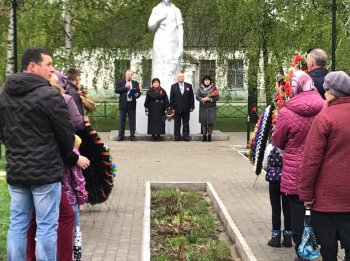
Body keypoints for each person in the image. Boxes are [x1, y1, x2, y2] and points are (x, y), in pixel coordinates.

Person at [0, 47, 90, 261]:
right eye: (48, 64)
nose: (52, 69)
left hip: (17, 170)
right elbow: (67, 136)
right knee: (46, 226)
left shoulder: (4, 93)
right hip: (45, 173)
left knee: (18, 224)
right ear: (32, 66)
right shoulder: (49, 94)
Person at [272, 70, 324, 260]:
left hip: (294, 171)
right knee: (317, 210)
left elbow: (278, 141)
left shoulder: (286, 111)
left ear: (294, 87)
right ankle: (317, 247)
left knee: (296, 212)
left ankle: (301, 253)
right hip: (319, 169)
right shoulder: (324, 106)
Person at [299, 71, 350, 261]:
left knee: (328, 251)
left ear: (330, 92)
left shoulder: (325, 119)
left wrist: (306, 194)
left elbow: (311, 161)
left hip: (327, 201)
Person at [148, 0, 184, 95]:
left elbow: (180, 29)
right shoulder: (156, 9)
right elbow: (150, 26)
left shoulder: (176, 10)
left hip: (173, 42)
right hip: (160, 40)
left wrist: (181, 46)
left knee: (172, 66)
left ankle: (171, 95)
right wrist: (160, 17)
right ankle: (157, 92)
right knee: (158, 66)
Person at [63, 135, 88, 261]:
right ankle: (77, 257)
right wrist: (82, 200)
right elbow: (78, 181)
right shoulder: (75, 157)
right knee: (75, 230)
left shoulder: (57, 154)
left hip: (56, 197)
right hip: (71, 200)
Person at [115, 70, 141, 141]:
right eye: (128, 74)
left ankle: (132, 135)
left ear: (132, 75)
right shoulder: (121, 82)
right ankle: (120, 136)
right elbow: (116, 90)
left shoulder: (135, 83)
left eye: (130, 75)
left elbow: (138, 93)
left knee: (132, 120)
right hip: (123, 104)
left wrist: (137, 94)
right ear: (125, 75)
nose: (129, 76)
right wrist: (125, 87)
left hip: (132, 104)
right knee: (121, 120)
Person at [170, 72, 195, 141]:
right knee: (177, 123)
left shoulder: (189, 86)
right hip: (177, 108)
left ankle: (186, 136)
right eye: (179, 76)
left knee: (186, 123)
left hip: (186, 108)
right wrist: (172, 108)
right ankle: (177, 136)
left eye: (182, 76)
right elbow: (171, 98)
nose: (181, 78)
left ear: (184, 78)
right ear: (177, 78)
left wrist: (192, 106)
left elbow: (191, 97)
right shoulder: (173, 86)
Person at [195, 76, 219, 142]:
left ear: (210, 81)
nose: (207, 81)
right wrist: (202, 99)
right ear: (203, 81)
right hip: (203, 107)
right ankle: (204, 136)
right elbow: (197, 96)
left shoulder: (214, 88)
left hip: (211, 107)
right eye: (205, 80)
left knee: (211, 122)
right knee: (203, 122)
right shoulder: (200, 88)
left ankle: (209, 136)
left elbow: (217, 97)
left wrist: (210, 99)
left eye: (208, 80)